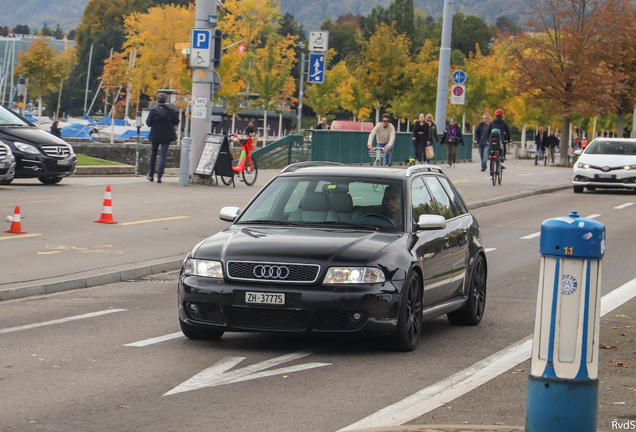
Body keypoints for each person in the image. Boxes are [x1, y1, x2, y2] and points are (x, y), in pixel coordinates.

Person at [146, 93, 179, 183]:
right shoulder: (170, 111)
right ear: (166, 101)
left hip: (155, 135)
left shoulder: (153, 111)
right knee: (163, 155)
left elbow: (148, 123)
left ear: (157, 101)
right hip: (167, 135)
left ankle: (150, 175)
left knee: (153, 154)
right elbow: (176, 121)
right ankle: (159, 177)